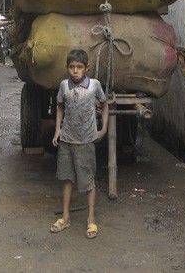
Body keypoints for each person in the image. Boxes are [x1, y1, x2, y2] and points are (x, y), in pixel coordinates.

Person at [50, 49, 108, 239]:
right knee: (67, 179)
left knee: (88, 181)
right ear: (67, 68)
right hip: (67, 140)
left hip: (86, 141)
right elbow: (59, 106)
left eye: (79, 67)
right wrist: (58, 130)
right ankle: (65, 217)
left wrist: (103, 129)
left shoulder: (94, 86)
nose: (75, 71)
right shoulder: (64, 86)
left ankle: (91, 219)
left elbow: (104, 104)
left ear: (86, 68)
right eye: (72, 67)